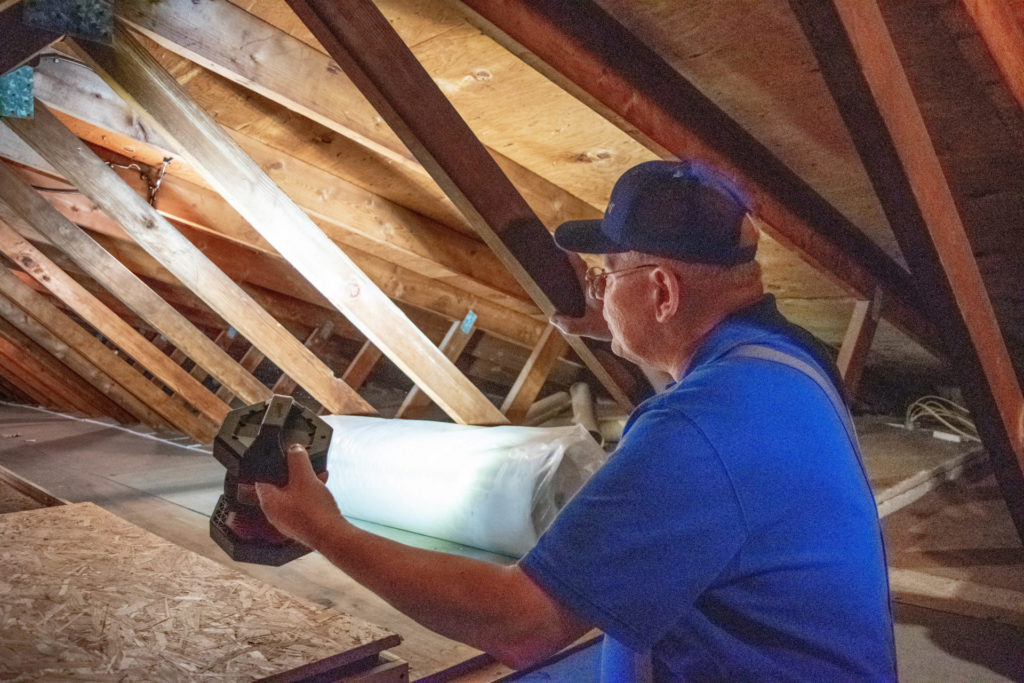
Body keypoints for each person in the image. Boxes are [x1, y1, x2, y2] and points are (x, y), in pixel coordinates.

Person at [256, 160, 897, 681]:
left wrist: (322, 528)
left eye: (607, 275)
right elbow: (702, 403)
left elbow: (521, 624)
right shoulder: (787, 357)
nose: (595, 290)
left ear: (663, 293)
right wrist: (620, 323)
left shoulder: (698, 431)